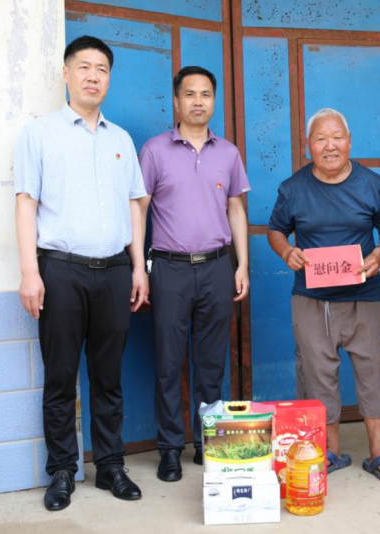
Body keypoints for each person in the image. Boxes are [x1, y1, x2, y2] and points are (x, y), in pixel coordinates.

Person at [14, 35, 148, 511]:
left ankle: (110, 465)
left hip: (114, 271)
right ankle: (62, 472)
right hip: (60, 270)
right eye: (84, 67)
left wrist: (139, 267)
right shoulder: (39, 133)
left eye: (102, 69)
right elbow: (26, 203)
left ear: (109, 79)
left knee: (108, 377)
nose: (93, 76)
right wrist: (30, 272)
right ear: (67, 74)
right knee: (61, 377)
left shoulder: (120, 139)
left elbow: (135, 205)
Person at [267, 108, 380, 485]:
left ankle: (378, 454)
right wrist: (286, 251)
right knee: (318, 375)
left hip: (364, 296)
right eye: (320, 139)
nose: (330, 146)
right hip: (312, 299)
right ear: (308, 145)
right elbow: (276, 230)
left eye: (337, 137)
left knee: (372, 373)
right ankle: (330, 452)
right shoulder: (292, 188)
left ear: (349, 141)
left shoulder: (372, 183)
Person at [138, 66, 250, 482]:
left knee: (211, 364)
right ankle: (170, 449)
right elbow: (139, 209)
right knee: (168, 363)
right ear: (176, 101)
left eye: (205, 94)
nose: (198, 101)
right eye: (190, 94)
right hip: (169, 268)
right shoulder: (155, 150)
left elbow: (236, 208)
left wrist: (241, 265)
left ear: (213, 101)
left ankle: (208, 443)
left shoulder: (228, 153)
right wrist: (139, 267)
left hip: (218, 266)